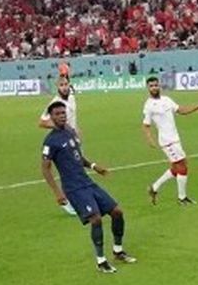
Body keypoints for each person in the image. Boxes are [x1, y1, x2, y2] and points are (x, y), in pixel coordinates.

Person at [41, 101, 136, 273]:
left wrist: (93, 166)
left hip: (87, 182)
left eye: (63, 112)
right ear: (51, 117)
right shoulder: (50, 141)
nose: (62, 115)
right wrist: (57, 192)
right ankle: (101, 262)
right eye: (57, 113)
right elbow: (45, 168)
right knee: (96, 219)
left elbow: (77, 156)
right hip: (73, 188)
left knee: (117, 212)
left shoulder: (70, 132)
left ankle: (118, 251)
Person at [142, 76, 198, 205]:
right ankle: (182, 198)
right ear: (148, 88)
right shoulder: (149, 105)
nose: (154, 87)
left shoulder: (167, 100)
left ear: (159, 86)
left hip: (175, 138)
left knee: (177, 167)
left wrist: (196, 107)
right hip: (167, 141)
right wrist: (149, 139)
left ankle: (154, 188)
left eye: (156, 85)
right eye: (151, 86)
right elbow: (146, 124)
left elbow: (180, 110)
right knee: (182, 167)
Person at [39, 75, 79, 216]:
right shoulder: (55, 103)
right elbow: (42, 122)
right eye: (61, 85)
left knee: (77, 170)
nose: (64, 87)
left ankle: (77, 199)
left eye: (66, 84)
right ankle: (66, 202)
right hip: (62, 142)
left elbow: (73, 119)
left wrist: (75, 132)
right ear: (57, 86)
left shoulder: (72, 97)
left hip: (73, 140)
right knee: (69, 172)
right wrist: (61, 127)